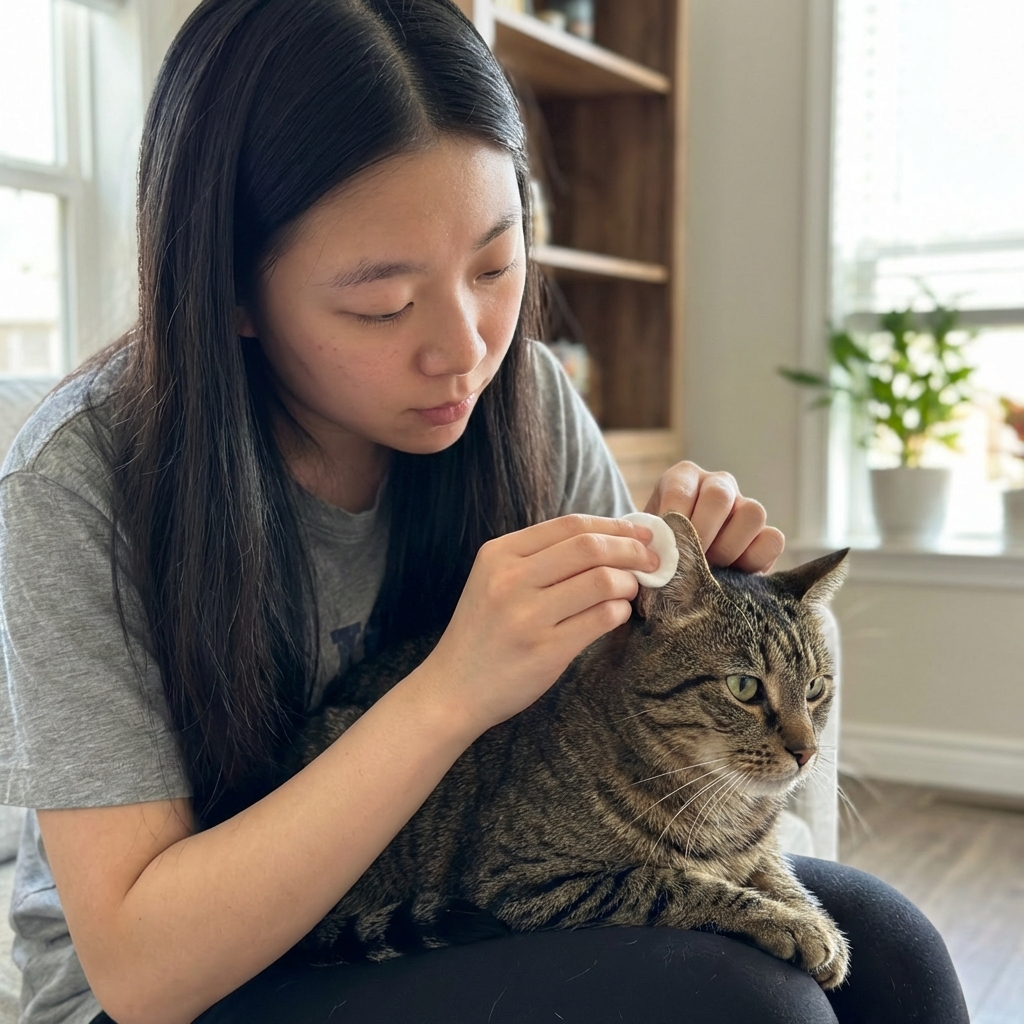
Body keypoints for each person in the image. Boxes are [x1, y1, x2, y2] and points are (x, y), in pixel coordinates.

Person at [0, 2, 969, 1023]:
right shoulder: (82, 480)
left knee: (892, 950)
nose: (465, 348)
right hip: (185, 979)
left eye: (496, 265)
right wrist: (448, 692)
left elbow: (616, 734)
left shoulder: (525, 401)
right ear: (231, 292)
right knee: (741, 1002)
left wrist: (685, 603)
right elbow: (142, 971)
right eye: (381, 303)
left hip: (457, 889)